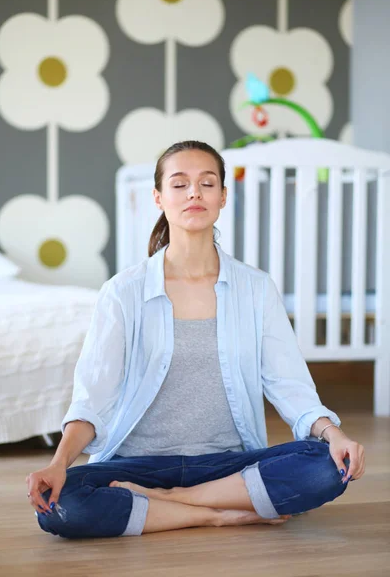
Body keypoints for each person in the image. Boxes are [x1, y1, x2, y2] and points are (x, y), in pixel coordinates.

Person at [27, 140, 365, 539]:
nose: (194, 193)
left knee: (326, 464)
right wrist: (59, 463)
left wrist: (334, 434)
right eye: (180, 183)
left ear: (223, 196)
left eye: (207, 183)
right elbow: (92, 397)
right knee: (60, 506)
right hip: (136, 464)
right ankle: (220, 513)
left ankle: (168, 501)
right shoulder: (123, 291)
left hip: (227, 464)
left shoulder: (256, 288)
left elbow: (290, 386)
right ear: (158, 197)